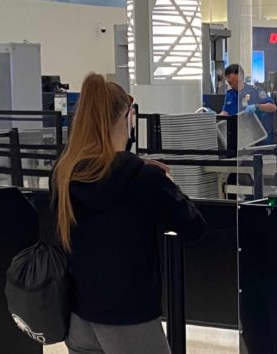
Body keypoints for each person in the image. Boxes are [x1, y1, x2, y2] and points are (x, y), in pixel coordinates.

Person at [52, 73, 206, 354]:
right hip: (130, 320)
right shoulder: (145, 179)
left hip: (78, 319)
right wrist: (165, 183)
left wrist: (135, 164)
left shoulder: (64, 174)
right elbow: (194, 225)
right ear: (127, 118)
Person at [219, 64, 277, 144]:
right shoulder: (230, 94)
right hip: (239, 137)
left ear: (239, 76)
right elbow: (225, 111)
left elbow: (273, 107)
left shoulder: (255, 91)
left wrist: (257, 106)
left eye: (230, 76)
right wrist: (217, 117)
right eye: (227, 77)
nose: (229, 80)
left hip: (257, 137)